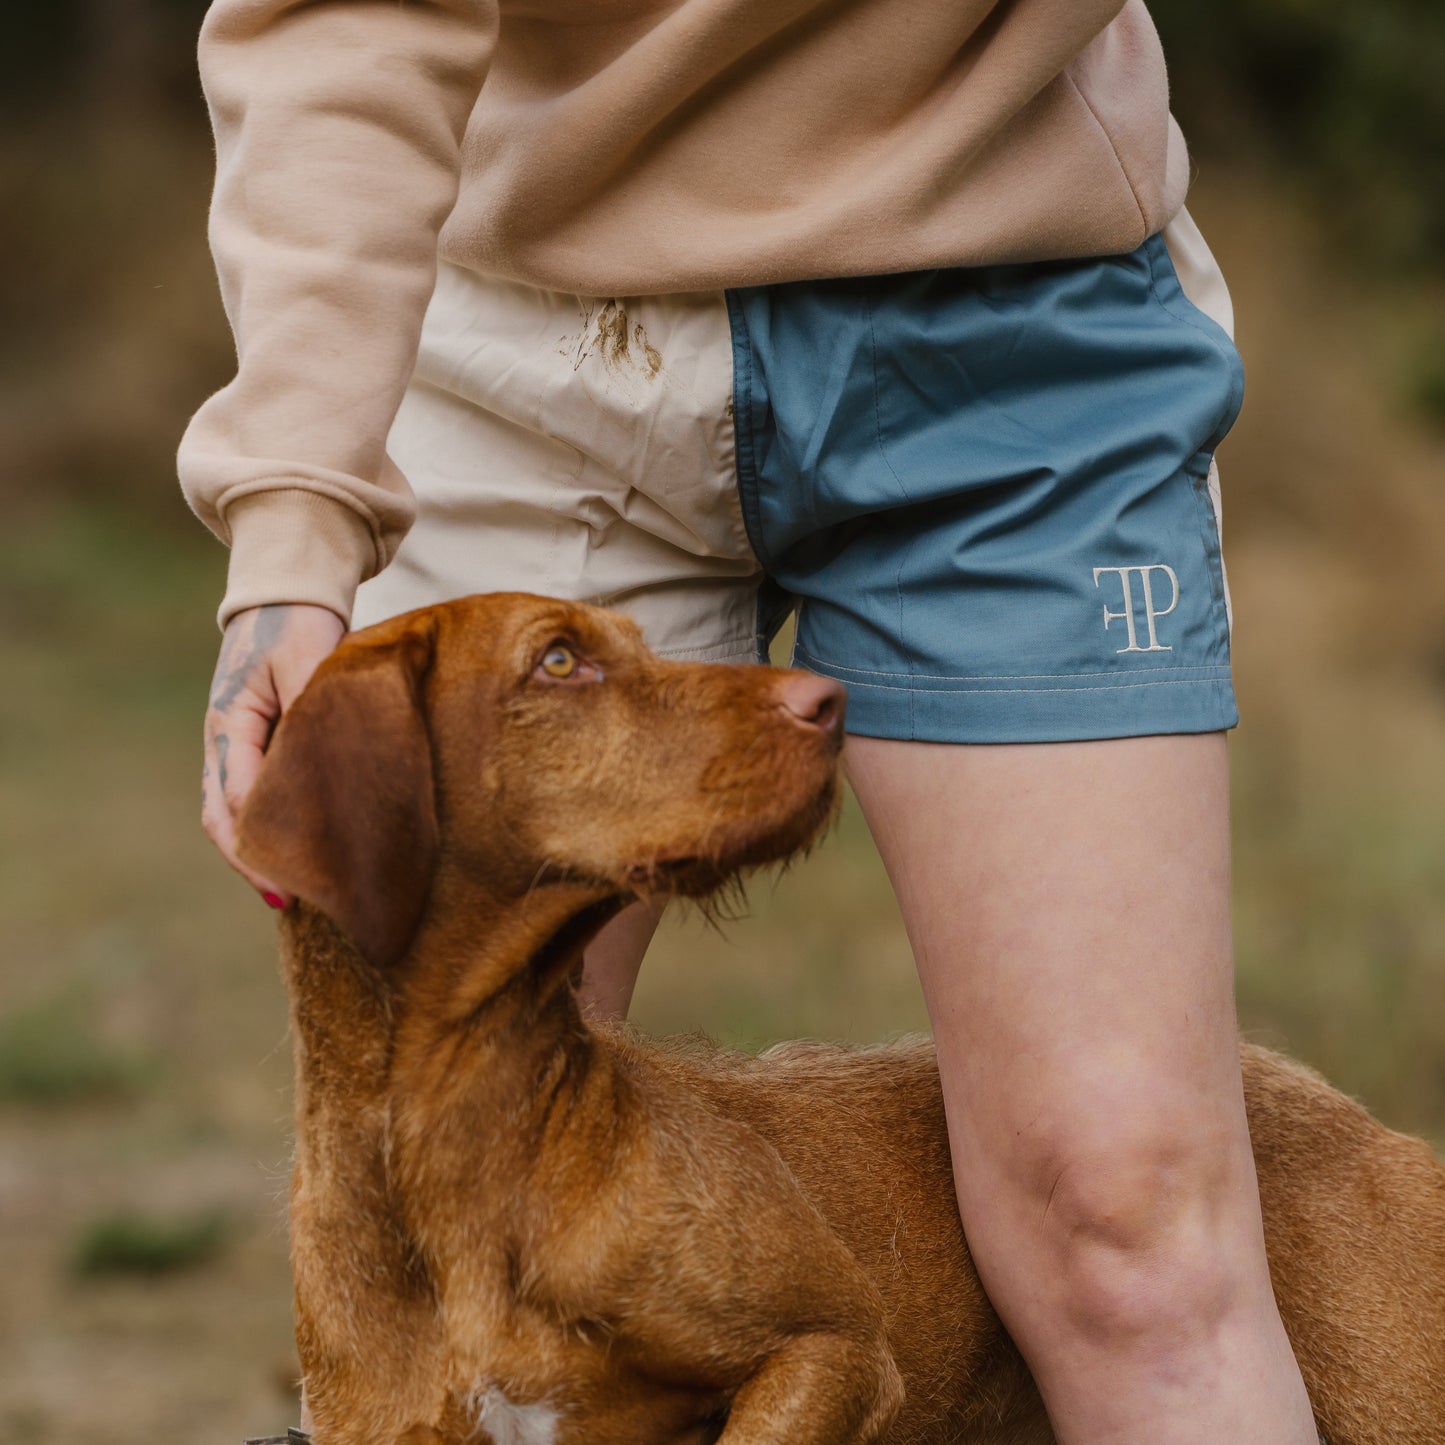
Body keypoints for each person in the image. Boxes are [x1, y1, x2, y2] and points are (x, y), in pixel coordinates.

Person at [184, 1, 1321, 1438]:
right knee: (430, 1215)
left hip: (1008, 303)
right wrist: (294, 513)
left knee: (1126, 1225)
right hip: (522, 326)